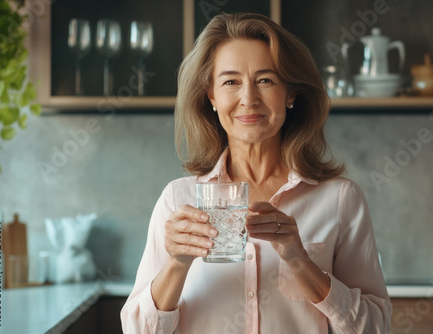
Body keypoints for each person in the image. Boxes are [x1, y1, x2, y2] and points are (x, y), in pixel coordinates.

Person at [121, 12, 391, 334]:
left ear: (290, 93)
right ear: (212, 96)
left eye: (265, 80)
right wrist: (177, 264)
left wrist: (300, 262)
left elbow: (375, 328)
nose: (248, 99)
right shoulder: (178, 199)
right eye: (230, 82)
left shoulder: (340, 199)